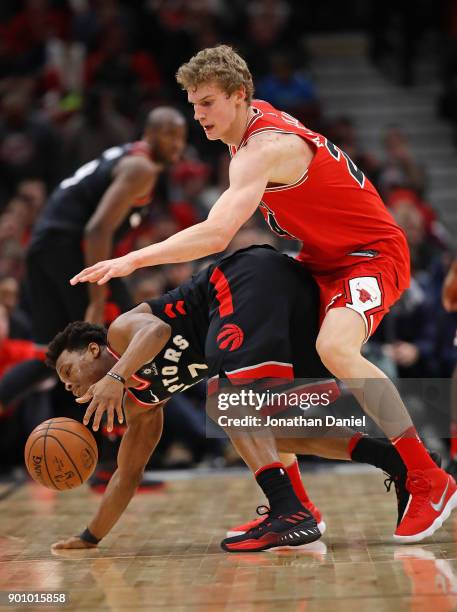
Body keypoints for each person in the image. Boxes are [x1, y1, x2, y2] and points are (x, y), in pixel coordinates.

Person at [70, 45, 456, 543]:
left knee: (335, 347)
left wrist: (132, 259)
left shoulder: (264, 146)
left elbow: (216, 235)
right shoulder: (246, 137)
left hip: (370, 255)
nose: (198, 115)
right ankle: (294, 508)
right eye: (192, 104)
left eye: (206, 102)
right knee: (244, 399)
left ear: (239, 96)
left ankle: (428, 476)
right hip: (320, 263)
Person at [49, 246, 438, 552]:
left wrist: (116, 377)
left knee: (226, 403)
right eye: (65, 385)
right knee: (268, 427)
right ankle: (395, 460)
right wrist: (90, 536)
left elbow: (157, 332)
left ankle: (290, 509)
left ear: (93, 350)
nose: (71, 386)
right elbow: (126, 475)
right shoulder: (142, 405)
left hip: (243, 279)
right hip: (279, 308)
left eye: (69, 372)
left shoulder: (120, 333)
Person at [0, 107, 186, 405]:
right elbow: (97, 231)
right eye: (168, 135)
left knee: (55, 354)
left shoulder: (126, 156)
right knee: (135, 332)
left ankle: (80, 440)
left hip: (45, 245)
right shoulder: (141, 168)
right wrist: (97, 302)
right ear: (148, 134)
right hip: (70, 250)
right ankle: (173, 433)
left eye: (180, 137)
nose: (176, 144)